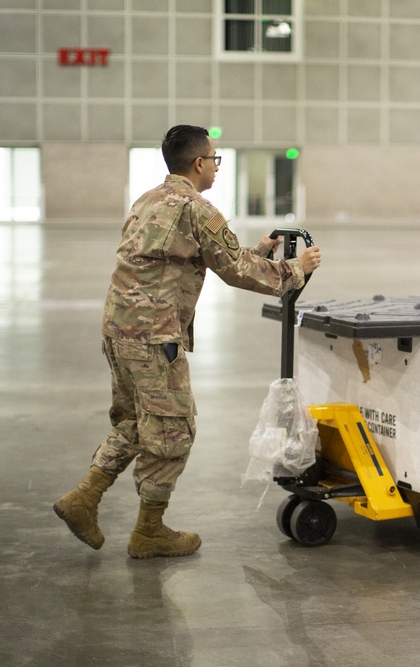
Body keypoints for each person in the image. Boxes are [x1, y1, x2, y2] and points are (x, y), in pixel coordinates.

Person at [54, 125, 321, 559]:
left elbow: (214, 256)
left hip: (119, 330)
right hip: (153, 336)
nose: (216, 166)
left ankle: (84, 498)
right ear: (199, 163)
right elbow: (235, 270)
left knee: (134, 423)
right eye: (215, 159)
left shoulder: (150, 200)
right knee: (173, 432)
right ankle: (149, 532)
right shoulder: (197, 209)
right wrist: (296, 268)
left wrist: (260, 248)